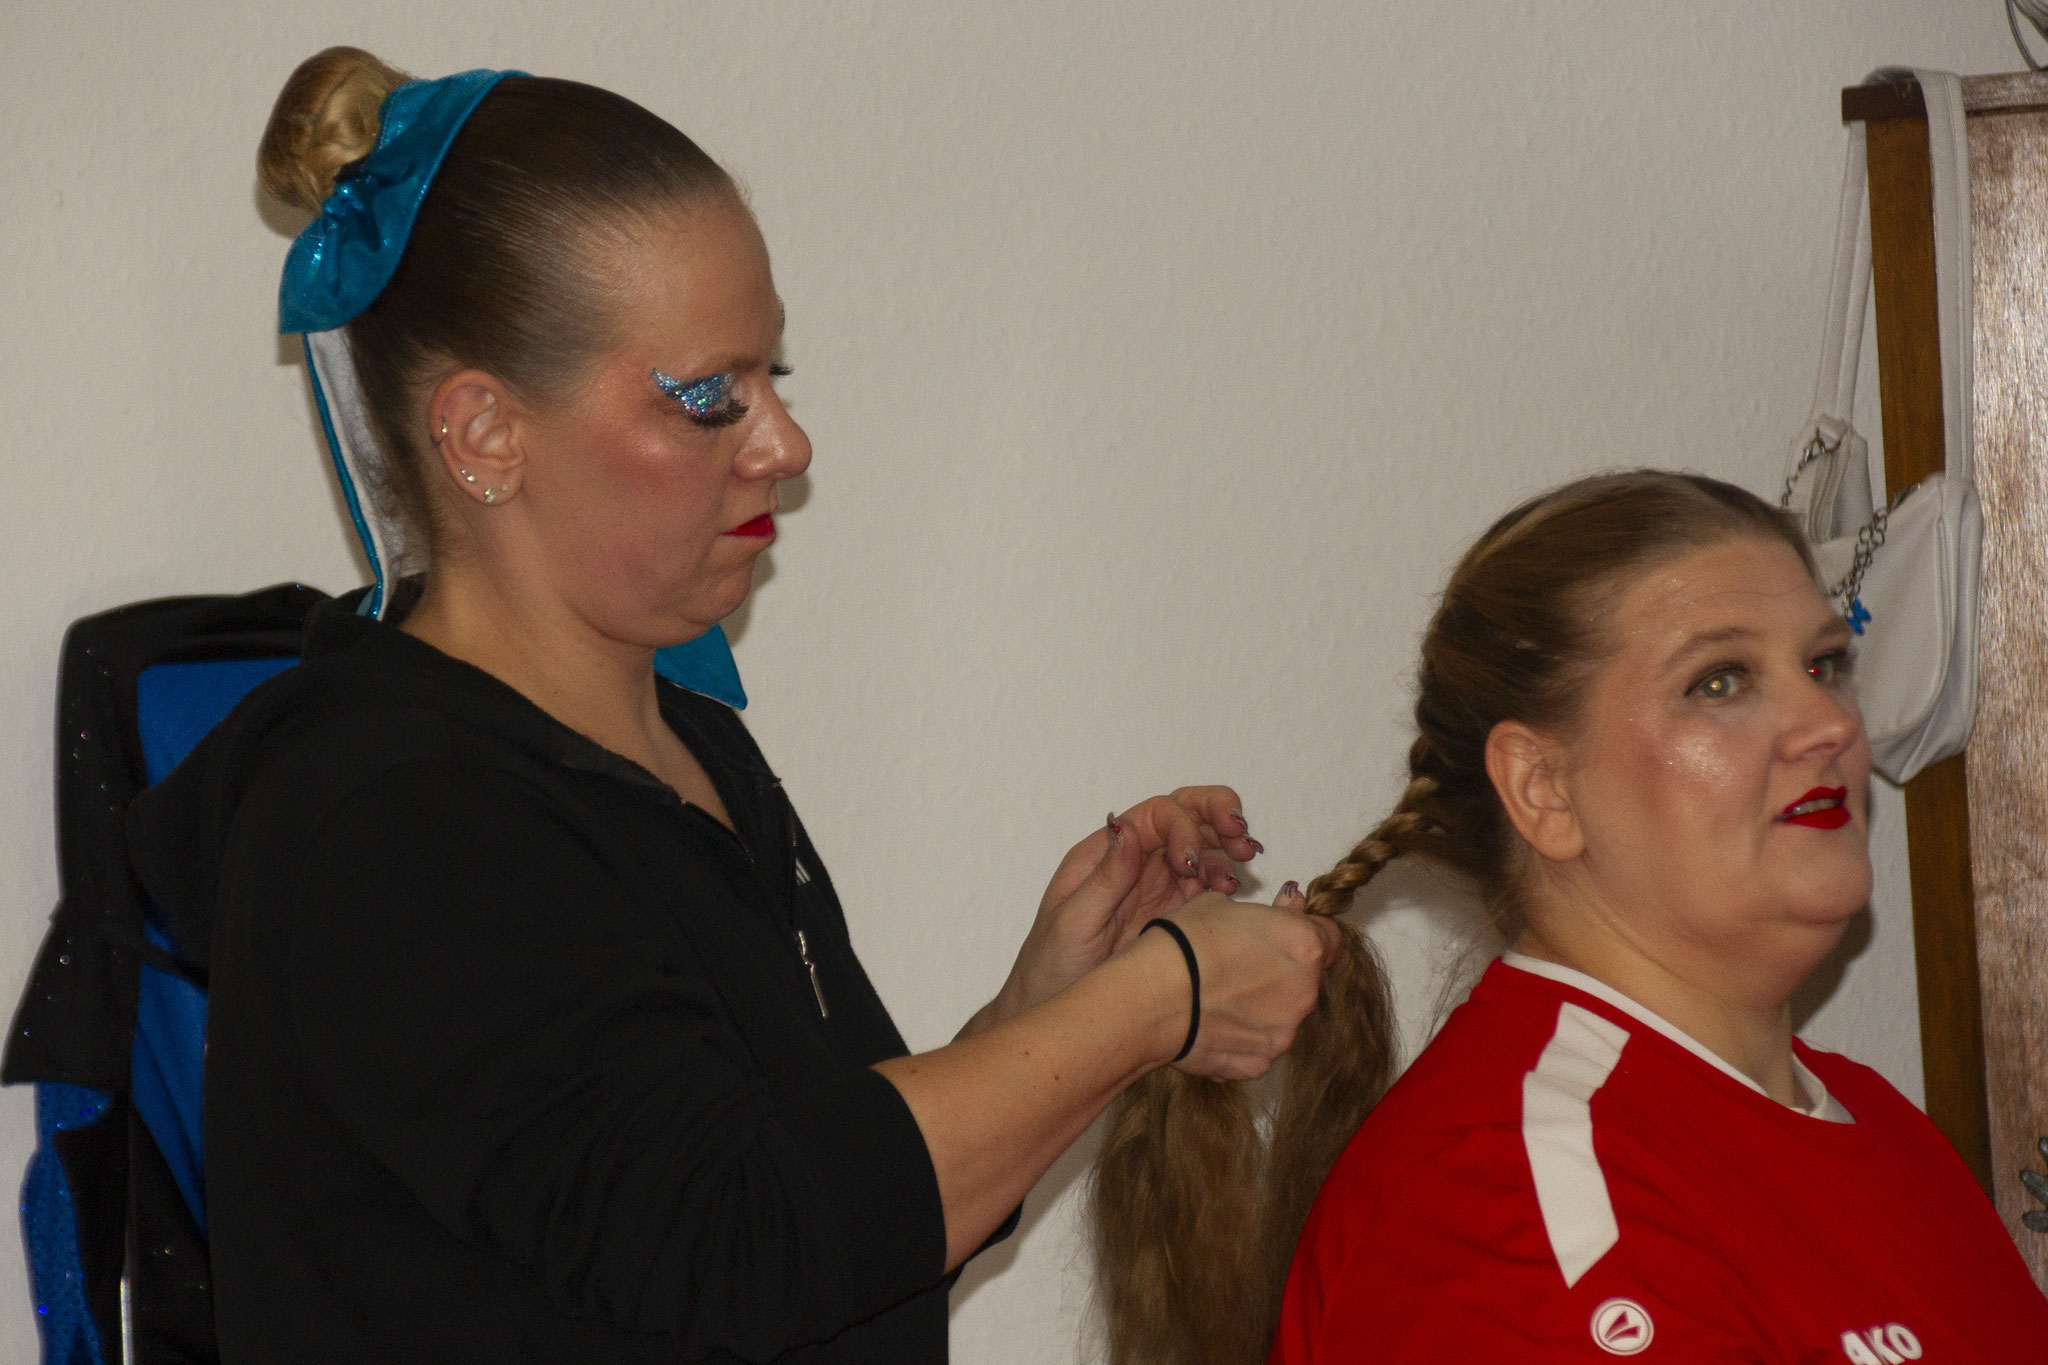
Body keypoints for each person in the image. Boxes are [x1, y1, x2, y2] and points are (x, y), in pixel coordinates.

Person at [124, 48, 1340, 1364]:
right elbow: (749, 1245)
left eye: (774, 381)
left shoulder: (688, 744)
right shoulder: (394, 822)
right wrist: (1154, 1003)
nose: (785, 446)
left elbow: (817, 1203)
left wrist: (1051, 1004)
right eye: (711, 397)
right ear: (484, 436)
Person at [1093, 471, 2048, 1364]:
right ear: (1543, 788)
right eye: (1720, 680)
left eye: (1826, 663)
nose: (1831, 724)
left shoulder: (1880, 1123)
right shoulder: (1506, 1203)